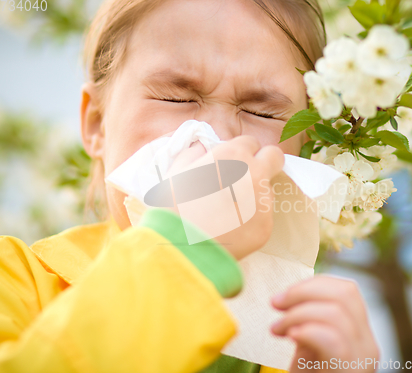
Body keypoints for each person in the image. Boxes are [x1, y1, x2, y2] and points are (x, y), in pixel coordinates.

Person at [0, 0, 379, 372]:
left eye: (260, 112)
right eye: (175, 98)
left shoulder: (304, 344)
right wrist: (180, 251)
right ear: (97, 124)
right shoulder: (18, 282)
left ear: (304, 144)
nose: (218, 141)